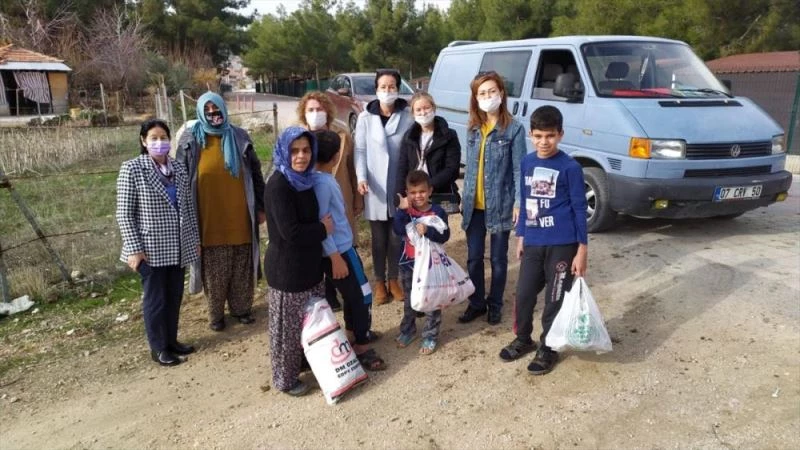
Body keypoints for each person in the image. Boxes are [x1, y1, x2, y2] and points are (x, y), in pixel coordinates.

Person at [498, 105, 588, 375]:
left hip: (563, 244)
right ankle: (523, 338)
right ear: (531, 135)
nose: (543, 142)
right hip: (534, 241)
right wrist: (522, 235)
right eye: (538, 136)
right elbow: (526, 201)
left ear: (560, 134)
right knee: (524, 293)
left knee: (555, 298)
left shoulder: (570, 167)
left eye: (549, 136)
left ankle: (548, 346)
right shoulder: (527, 162)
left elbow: (580, 208)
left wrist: (582, 249)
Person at [176, 92, 266, 332]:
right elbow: (181, 179)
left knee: (241, 265)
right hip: (208, 217)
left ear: (224, 110)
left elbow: (255, 172)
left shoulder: (239, 136)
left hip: (240, 213)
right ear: (200, 114)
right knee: (215, 270)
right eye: (208, 111)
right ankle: (216, 315)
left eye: (217, 110)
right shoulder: (190, 140)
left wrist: (261, 206)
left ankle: (241, 309)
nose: (213, 115)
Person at [116, 119, 200, 366]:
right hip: (150, 250)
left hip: (178, 246)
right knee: (156, 300)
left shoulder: (178, 169)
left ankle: (172, 341)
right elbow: (124, 213)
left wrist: (193, 240)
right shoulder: (132, 169)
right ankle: (159, 348)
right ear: (144, 141)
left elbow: (188, 207)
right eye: (153, 138)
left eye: (163, 137)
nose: (159, 142)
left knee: (174, 297)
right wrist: (134, 249)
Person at [264, 126, 334, 396]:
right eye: (294, 151)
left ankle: (305, 362)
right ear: (284, 151)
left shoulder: (305, 180)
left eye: (306, 150)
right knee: (287, 330)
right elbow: (289, 232)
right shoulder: (279, 184)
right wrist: (322, 230)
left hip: (310, 267)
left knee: (307, 324)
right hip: (288, 271)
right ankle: (285, 378)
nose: (301, 156)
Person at [312, 130, 387, 371]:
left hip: (340, 249)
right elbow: (324, 223)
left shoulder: (320, 179)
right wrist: (334, 256)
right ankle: (362, 347)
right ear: (336, 157)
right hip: (341, 251)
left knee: (353, 295)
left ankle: (354, 333)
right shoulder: (322, 183)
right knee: (362, 296)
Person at [458, 71, 527, 326]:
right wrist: (465, 197)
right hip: (474, 206)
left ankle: (495, 304)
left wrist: (519, 203)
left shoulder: (514, 129)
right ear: (475, 98)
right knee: (474, 257)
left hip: (501, 205)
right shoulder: (474, 128)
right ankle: (476, 303)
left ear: (501, 94)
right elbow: (470, 168)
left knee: (498, 260)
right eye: (482, 93)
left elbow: (520, 169)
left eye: (491, 91)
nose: (487, 97)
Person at [297, 91, 364, 311]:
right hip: (313, 212)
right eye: (311, 110)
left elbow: (352, 168)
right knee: (321, 252)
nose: (316, 114)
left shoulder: (343, 135)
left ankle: (348, 291)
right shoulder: (298, 139)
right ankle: (328, 295)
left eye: (320, 109)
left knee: (345, 247)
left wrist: (357, 199)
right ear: (304, 114)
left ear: (328, 111)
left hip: (341, 200)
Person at [355, 69, 414, 304]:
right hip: (375, 185)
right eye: (383, 87)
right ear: (376, 89)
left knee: (396, 236)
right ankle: (379, 281)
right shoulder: (365, 117)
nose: (387, 91)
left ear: (398, 89)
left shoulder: (408, 116)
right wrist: (361, 177)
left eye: (392, 87)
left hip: (399, 183)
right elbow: (360, 150)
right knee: (378, 239)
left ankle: (394, 280)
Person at [393, 170, 450, 355]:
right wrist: (401, 211)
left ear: (430, 191)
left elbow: (444, 235)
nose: (418, 196)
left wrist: (428, 231)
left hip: (430, 267)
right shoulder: (406, 211)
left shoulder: (438, 211)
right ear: (407, 193)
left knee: (432, 300)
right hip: (409, 263)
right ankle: (408, 330)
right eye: (413, 192)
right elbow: (398, 230)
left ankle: (430, 335)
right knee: (410, 299)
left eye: (422, 192)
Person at [395, 92, 461, 214]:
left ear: (434, 108)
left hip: (438, 194)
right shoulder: (409, 137)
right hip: (414, 196)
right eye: (418, 110)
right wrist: (400, 196)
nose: (423, 113)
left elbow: (452, 169)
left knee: (436, 231)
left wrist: (427, 187)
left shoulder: (449, 135)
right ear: (413, 114)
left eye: (426, 108)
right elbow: (402, 167)